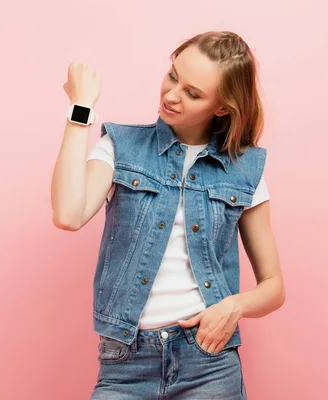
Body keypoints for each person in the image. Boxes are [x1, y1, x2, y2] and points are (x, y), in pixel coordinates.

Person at [51, 30, 285, 400]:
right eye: (173, 75)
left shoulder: (245, 170)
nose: (172, 95)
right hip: (125, 361)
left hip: (208, 361)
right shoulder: (121, 145)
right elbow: (68, 215)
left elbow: (274, 287)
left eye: (193, 93)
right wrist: (80, 109)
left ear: (222, 107)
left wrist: (233, 307)